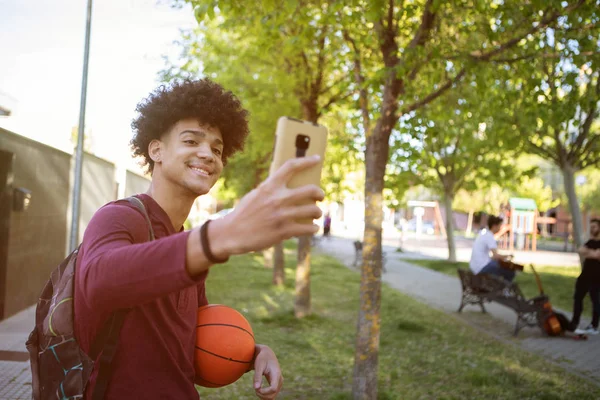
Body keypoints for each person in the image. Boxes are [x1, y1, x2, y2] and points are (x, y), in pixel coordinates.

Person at [74, 79, 324, 399]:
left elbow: (195, 343)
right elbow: (97, 282)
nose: (207, 154)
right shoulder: (119, 217)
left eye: (217, 149)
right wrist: (219, 235)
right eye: (192, 141)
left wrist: (253, 353)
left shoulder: (187, 243)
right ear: (156, 150)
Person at [569, 218, 600, 335]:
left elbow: (598, 255)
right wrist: (592, 253)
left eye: (594, 227)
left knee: (595, 300)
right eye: (591, 227)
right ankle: (574, 322)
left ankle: (594, 325)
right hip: (585, 275)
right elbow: (580, 250)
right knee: (578, 298)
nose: (592, 229)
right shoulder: (590, 242)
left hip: (596, 277)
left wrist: (589, 252)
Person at [469, 215, 516, 282]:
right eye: (500, 226)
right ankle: (506, 289)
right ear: (494, 226)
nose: (500, 228)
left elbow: (492, 257)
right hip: (481, 268)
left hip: (474, 267)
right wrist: (508, 256)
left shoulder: (483, 233)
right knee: (509, 271)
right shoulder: (489, 236)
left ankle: (501, 287)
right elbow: (495, 256)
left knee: (497, 265)